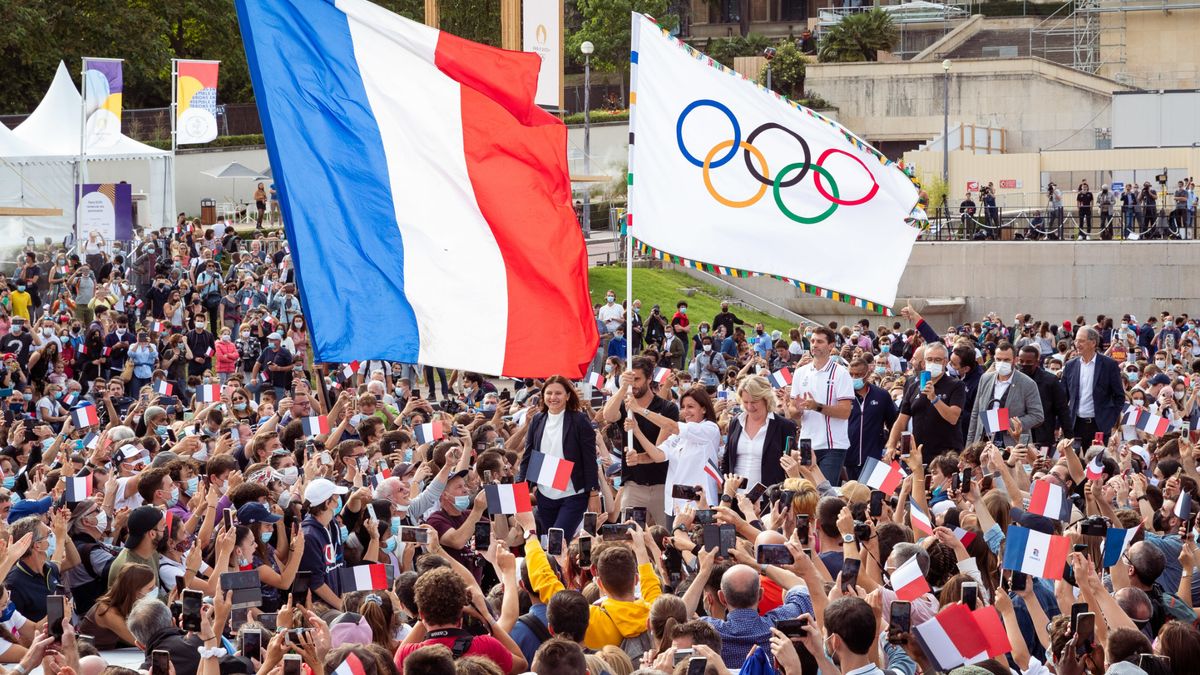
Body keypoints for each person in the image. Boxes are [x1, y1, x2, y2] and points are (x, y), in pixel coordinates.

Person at [393, 567, 526, 674]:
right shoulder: (487, 646)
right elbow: (521, 664)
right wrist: (485, 616)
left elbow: (396, 660)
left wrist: (426, 610)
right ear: (461, 612)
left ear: (421, 615)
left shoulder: (409, 655)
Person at [516, 375, 599, 537]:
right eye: (549, 393)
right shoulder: (537, 420)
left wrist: (594, 493)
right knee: (551, 542)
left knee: (559, 539)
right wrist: (521, 488)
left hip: (574, 494)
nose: (553, 397)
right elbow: (528, 455)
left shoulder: (579, 420)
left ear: (568, 396)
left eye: (558, 393)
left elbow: (589, 460)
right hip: (544, 494)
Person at [602, 357, 679, 529]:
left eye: (637, 379)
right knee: (629, 538)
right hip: (633, 485)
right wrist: (623, 388)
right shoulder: (625, 405)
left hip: (662, 485)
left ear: (649, 378)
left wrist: (639, 457)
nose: (633, 384)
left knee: (667, 539)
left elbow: (660, 451)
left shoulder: (668, 409)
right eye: (629, 379)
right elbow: (608, 416)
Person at [626, 385, 721, 516]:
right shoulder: (678, 436)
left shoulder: (710, 429)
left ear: (704, 409)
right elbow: (658, 455)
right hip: (674, 507)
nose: (686, 411)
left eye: (691, 407)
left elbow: (670, 426)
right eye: (683, 407)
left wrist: (639, 409)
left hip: (699, 507)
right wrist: (636, 431)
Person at [791, 326, 854, 485]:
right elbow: (792, 411)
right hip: (806, 443)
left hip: (832, 446)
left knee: (824, 492)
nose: (814, 345)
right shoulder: (800, 373)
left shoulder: (840, 373)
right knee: (806, 493)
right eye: (812, 341)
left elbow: (845, 412)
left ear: (831, 346)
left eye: (819, 341)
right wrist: (796, 410)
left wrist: (817, 406)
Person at [885, 342, 964, 461]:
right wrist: (891, 445)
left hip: (946, 456)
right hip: (919, 455)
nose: (933, 363)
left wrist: (934, 398)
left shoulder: (956, 385)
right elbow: (901, 421)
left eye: (937, 360)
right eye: (929, 359)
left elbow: (953, 418)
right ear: (924, 362)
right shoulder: (914, 386)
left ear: (945, 361)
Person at [724, 375, 797, 489]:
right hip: (735, 497)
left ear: (766, 399)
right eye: (745, 401)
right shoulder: (735, 422)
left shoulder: (784, 426)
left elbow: (790, 465)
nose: (749, 406)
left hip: (769, 499)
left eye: (754, 402)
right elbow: (727, 460)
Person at [966, 341, 1044, 446]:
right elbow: (976, 413)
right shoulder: (985, 378)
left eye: (1006, 360)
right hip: (983, 442)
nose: (1002, 363)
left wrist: (1004, 423)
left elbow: (1037, 416)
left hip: (1012, 444)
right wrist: (969, 445)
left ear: (1015, 360)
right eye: (999, 359)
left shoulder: (1028, 383)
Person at [1063, 326, 1125, 443]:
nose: (1077, 344)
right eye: (1076, 340)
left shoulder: (1109, 365)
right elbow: (1063, 398)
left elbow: (1119, 396)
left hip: (1099, 425)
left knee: (1097, 459)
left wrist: (1110, 420)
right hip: (1075, 425)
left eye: (1081, 341)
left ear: (1093, 343)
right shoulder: (1070, 366)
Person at [79, 563, 156, 649]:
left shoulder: (129, 605)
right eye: (150, 588)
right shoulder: (106, 611)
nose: (154, 591)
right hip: (89, 657)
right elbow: (140, 641)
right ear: (135, 590)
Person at [845, 358, 897, 482]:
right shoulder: (843, 395)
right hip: (848, 457)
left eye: (858, 374)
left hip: (875, 457)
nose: (854, 377)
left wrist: (891, 445)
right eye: (851, 374)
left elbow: (894, 423)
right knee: (852, 496)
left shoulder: (881, 395)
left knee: (875, 495)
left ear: (867, 374)